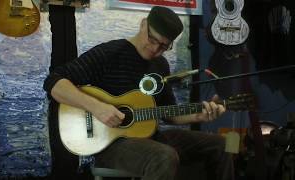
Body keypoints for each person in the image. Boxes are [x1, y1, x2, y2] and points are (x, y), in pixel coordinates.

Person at [43, 6, 234, 180]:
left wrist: (198, 116)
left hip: (149, 139)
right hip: (110, 144)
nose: (154, 49)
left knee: (226, 144)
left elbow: (169, 113)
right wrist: (98, 107)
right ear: (143, 24)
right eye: (152, 40)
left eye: (164, 46)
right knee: (164, 156)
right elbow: (54, 83)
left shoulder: (160, 65)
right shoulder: (110, 53)